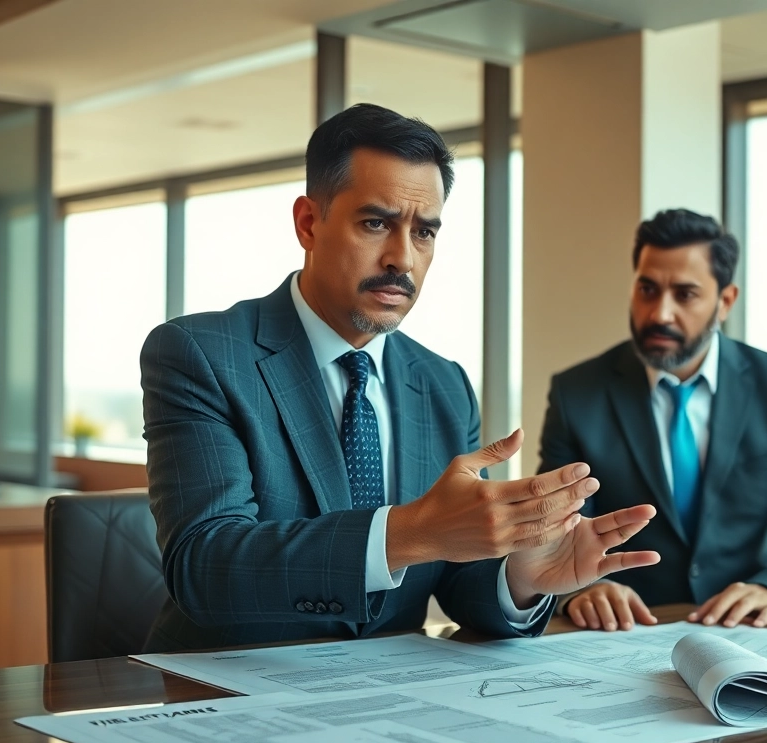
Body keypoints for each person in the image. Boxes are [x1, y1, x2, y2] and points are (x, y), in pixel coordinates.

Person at [140, 104, 658, 652]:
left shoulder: (444, 384)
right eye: (376, 223)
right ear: (308, 223)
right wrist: (412, 532)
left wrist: (521, 577)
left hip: (386, 700)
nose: (403, 259)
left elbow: (457, 577)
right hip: (217, 694)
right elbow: (206, 566)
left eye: (425, 232)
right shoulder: (199, 353)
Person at [538, 209, 767, 632]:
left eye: (685, 294)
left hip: (756, 628)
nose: (660, 313)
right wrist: (580, 587)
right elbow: (559, 529)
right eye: (648, 289)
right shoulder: (577, 393)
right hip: (625, 630)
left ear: (725, 301)